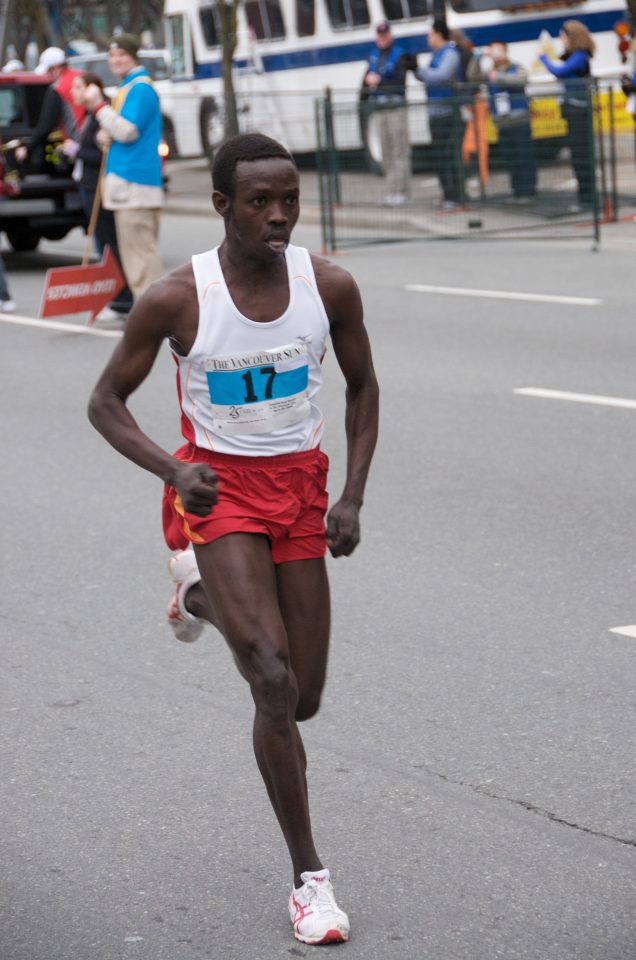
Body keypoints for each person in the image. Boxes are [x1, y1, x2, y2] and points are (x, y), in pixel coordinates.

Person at [87, 132, 379, 947]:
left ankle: (198, 596)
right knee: (273, 680)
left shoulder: (329, 286)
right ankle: (310, 882)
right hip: (218, 491)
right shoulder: (179, 298)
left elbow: (362, 387)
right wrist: (172, 474)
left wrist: (350, 496)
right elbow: (105, 401)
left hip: (300, 489)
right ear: (223, 206)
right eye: (260, 202)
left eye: (289, 199)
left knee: (307, 696)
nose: (279, 215)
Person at [83, 34, 163, 302]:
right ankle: (152, 314)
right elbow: (122, 129)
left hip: (134, 184)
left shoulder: (139, 88)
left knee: (140, 259)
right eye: (112, 55)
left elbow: (127, 131)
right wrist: (104, 133)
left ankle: (154, 316)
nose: (115, 60)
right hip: (132, 184)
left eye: (122, 54)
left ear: (134, 56)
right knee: (137, 256)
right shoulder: (129, 87)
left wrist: (97, 107)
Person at [66, 71, 133, 322]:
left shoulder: (100, 117)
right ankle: (115, 296)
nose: (73, 92)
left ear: (92, 89)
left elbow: (102, 154)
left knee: (109, 244)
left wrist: (78, 151)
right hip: (87, 184)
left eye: (78, 87)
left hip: (99, 187)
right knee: (102, 243)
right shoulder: (86, 116)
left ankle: (122, 297)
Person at [538, 20, 595, 209]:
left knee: (582, 155)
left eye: (563, 36)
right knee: (577, 156)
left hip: (579, 109)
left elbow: (560, 71)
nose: (561, 40)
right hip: (571, 109)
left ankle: (588, 199)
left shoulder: (580, 55)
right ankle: (584, 197)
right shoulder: (573, 55)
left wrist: (544, 58)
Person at [413, 20, 464, 209]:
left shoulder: (449, 53)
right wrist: (415, 71)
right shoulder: (435, 54)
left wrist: (421, 71)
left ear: (439, 35)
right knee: (439, 157)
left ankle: (456, 195)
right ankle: (447, 195)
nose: (428, 37)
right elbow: (430, 76)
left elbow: (441, 75)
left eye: (431, 33)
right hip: (434, 112)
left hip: (447, 112)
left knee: (449, 156)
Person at [363, 20, 415, 205]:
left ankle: (403, 191)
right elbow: (365, 82)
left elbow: (401, 82)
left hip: (396, 107)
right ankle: (391, 190)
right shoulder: (373, 56)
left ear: (390, 35)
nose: (382, 38)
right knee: (385, 151)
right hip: (380, 108)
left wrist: (380, 80)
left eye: (385, 34)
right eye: (380, 34)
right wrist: (369, 80)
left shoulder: (399, 55)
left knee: (399, 149)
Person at [15, 47, 85, 168]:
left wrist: (28, 148)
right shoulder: (83, 77)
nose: (47, 76)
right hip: (94, 142)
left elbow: (45, 126)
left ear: (56, 68)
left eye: (48, 71)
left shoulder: (57, 89)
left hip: (78, 145)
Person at [486, 41, 537, 202]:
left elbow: (521, 80)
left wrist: (499, 76)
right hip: (502, 121)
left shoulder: (516, 68)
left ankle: (528, 191)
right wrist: (480, 56)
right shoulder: (489, 72)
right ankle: (516, 191)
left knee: (524, 156)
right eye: (492, 50)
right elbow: (472, 75)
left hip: (519, 120)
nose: (495, 53)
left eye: (498, 50)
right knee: (510, 159)